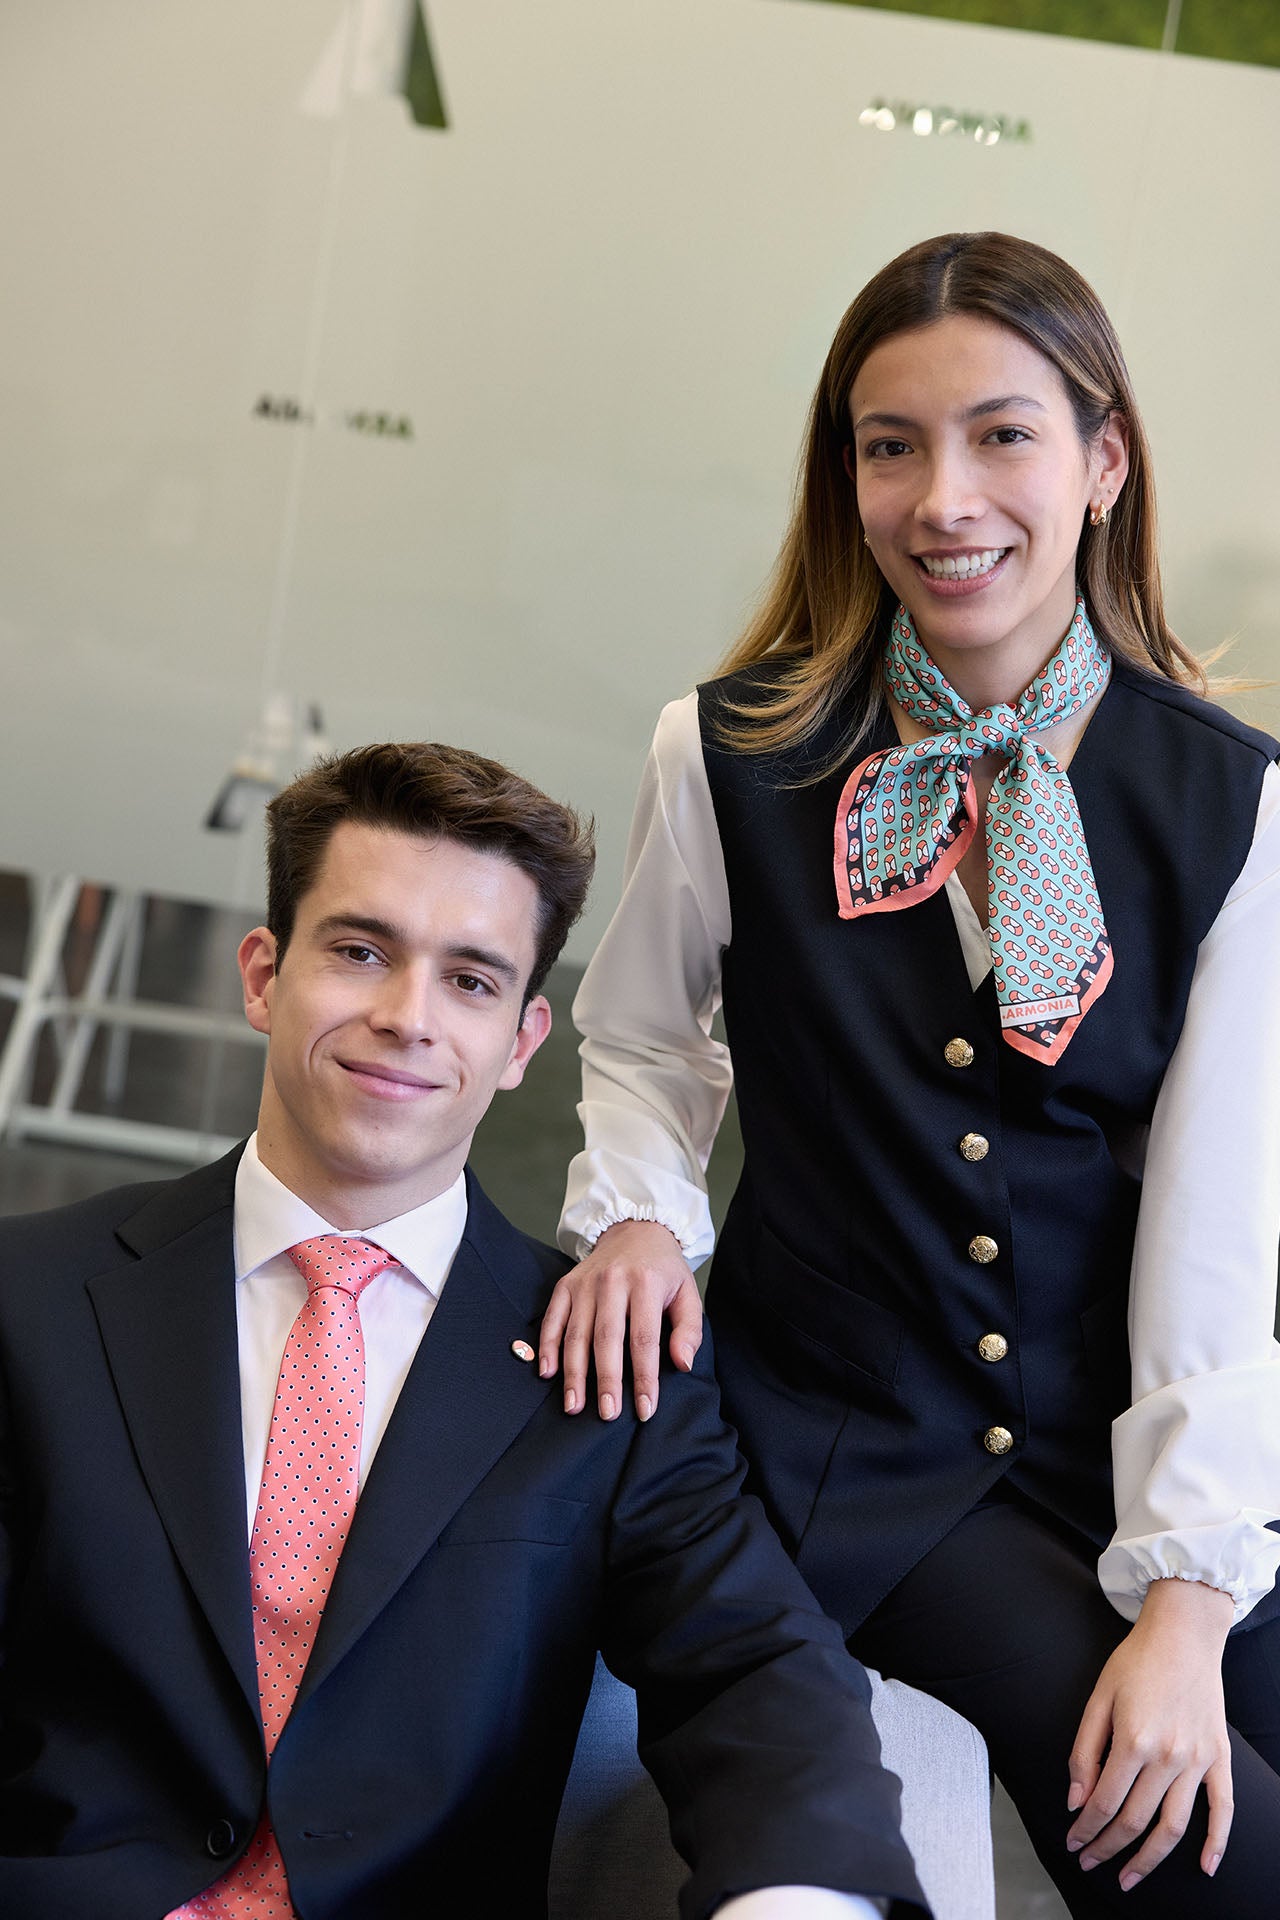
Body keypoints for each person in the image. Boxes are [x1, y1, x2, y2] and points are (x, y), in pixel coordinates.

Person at [549, 231, 1280, 1916]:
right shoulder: (729, 753)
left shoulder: (1232, 804)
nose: (944, 500)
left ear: (1104, 462)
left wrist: (1188, 1594)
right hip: (860, 1455)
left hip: (1127, 1422)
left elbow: (1220, 1224)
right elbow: (647, 1038)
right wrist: (640, 1215)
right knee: (1213, 1854)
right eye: (892, 446)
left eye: (1002, 435)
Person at [0, 743, 929, 1920]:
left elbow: (752, 1671)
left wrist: (799, 1903)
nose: (407, 1019)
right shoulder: (31, 1296)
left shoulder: (604, 1362)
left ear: (524, 1042)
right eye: (359, 952)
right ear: (263, 976)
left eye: (471, 981)